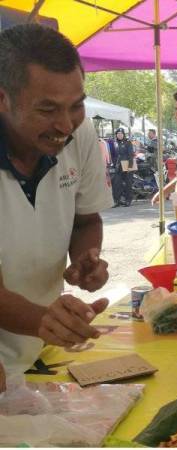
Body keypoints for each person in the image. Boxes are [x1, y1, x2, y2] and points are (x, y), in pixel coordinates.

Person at [0, 24, 113, 374]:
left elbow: (85, 219)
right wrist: (45, 320)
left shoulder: (79, 133)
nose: (66, 125)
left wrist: (85, 257)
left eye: (76, 105)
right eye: (47, 110)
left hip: (39, 351)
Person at [111, 127, 135, 207]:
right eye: (118, 134)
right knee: (117, 184)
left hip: (127, 165)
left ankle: (128, 200)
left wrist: (130, 167)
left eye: (121, 134)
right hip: (118, 166)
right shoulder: (115, 143)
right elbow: (114, 155)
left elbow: (131, 155)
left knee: (128, 184)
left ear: (123, 135)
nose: (119, 135)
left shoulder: (128, 143)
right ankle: (116, 201)